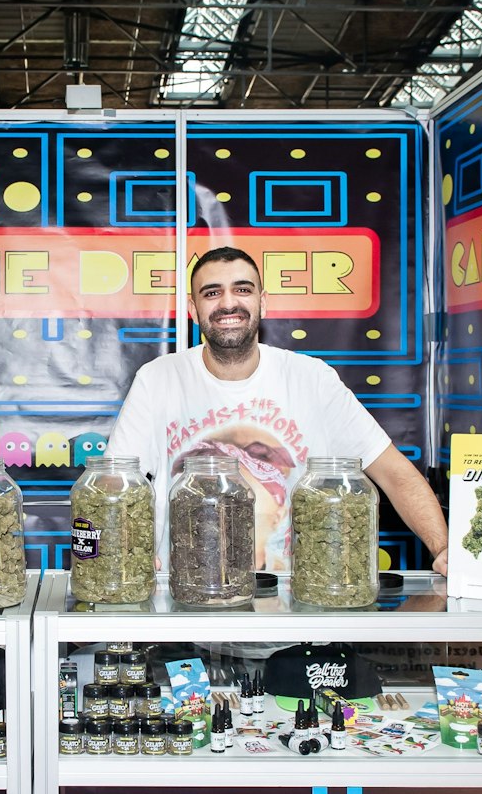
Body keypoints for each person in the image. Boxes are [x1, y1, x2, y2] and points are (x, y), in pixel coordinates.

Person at [107, 246, 449, 575]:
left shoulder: (312, 379)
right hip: (190, 606)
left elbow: (393, 472)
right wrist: (120, 548)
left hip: (294, 610)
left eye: (242, 289)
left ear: (263, 302)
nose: (229, 303)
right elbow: (112, 483)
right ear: (192, 310)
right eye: (212, 293)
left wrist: (444, 549)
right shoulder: (158, 378)